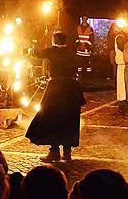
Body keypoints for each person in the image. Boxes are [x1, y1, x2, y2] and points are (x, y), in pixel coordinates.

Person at [26, 32, 86, 162]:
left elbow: (35, 56)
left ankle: (54, 152)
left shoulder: (51, 52)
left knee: (52, 119)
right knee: (69, 120)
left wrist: (31, 49)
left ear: (54, 41)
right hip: (71, 89)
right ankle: (67, 152)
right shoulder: (70, 53)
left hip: (56, 89)